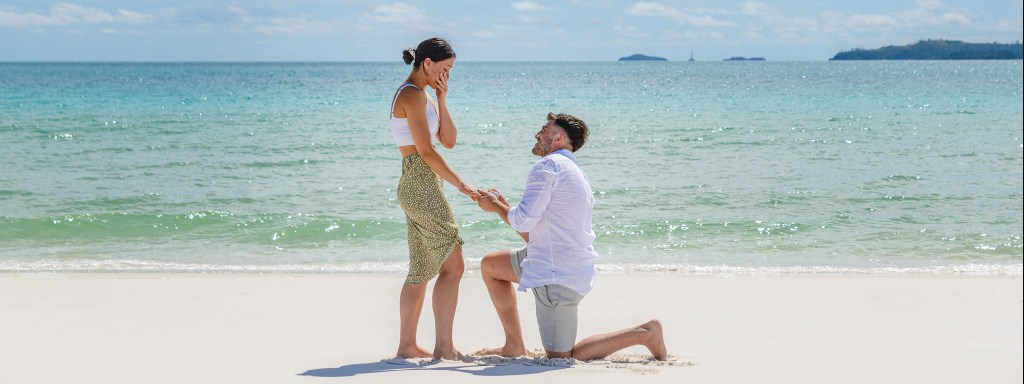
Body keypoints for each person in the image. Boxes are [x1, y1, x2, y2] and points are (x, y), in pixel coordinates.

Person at [475, 112, 668, 361]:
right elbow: (536, 234)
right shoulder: (575, 172)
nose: (537, 134)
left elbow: (523, 220)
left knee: (561, 357)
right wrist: (503, 206)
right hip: (556, 261)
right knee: (491, 266)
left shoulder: (547, 166)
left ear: (558, 137)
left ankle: (644, 333)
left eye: (543, 130)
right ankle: (514, 345)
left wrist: (495, 207)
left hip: (557, 278)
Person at [389, 37, 480, 360]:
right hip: (419, 181)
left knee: (421, 269)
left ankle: (407, 346)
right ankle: (444, 347)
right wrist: (461, 184)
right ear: (427, 64)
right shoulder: (410, 96)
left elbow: (449, 141)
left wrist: (442, 97)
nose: (448, 75)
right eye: (445, 69)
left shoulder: (425, 96)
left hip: (422, 183)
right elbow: (426, 152)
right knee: (453, 265)